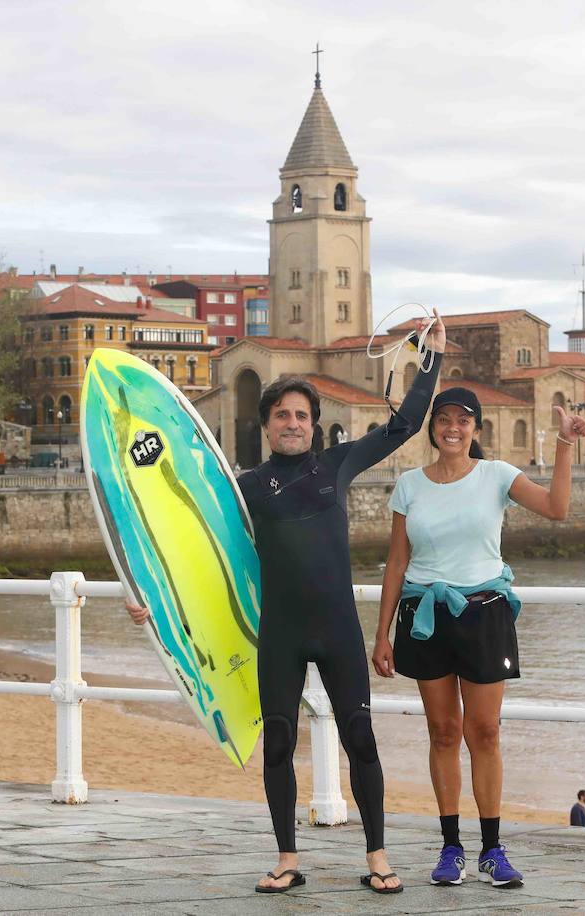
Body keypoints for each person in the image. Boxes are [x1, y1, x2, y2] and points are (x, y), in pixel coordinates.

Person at [127, 316, 448, 895]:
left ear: (313, 425)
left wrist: (433, 360)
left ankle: (377, 856)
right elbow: (191, 546)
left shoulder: (336, 465)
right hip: (280, 630)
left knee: (361, 737)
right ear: (268, 426)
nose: (293, 423)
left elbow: (403, 425)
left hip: (338, 628)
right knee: (278, 739)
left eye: (301, 415)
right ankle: (286, 859)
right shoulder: (243, 489)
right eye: (283, 416)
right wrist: (149, 598)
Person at [373, 387, 585, 889]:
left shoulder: (496, 476)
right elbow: (397, 562)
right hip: (426, 616)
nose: (453, 427)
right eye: (444, 418)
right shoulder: (409, 485)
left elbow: (557, 509)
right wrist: (382, 634)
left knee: (485, 732)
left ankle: (493, 849)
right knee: (444, 732)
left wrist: (563, 444)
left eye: (463, 420)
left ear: (476, 428)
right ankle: (451, 848)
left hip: (485, 614)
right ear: (433, 427)